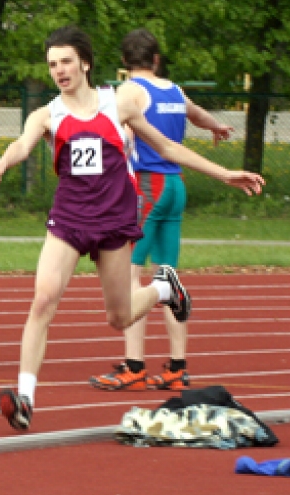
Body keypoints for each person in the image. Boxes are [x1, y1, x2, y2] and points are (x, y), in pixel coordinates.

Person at [0, 26, 264, 432]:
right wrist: (2, 164)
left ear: (84, 62)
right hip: (69, 220)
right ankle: (25, 397)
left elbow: (167, 148)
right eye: (51, 64)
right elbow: (22, 145)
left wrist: (224, 174)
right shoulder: (47, 114)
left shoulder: (119, 105)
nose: (59, 71)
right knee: (43, 300)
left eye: (65, 61)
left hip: (115, 221)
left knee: (119, 318)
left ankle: (164, 289)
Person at [90, 29, 235, 392]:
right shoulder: (173, 90)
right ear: (156, 59)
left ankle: (134, 365)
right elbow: (198, 114)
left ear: (125, 62)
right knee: (168, 277)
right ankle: (177, 366)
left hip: (147, 185)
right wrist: (217, 126)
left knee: (129, 275)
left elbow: (108, 127)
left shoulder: (128, 92)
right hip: (175, 186)